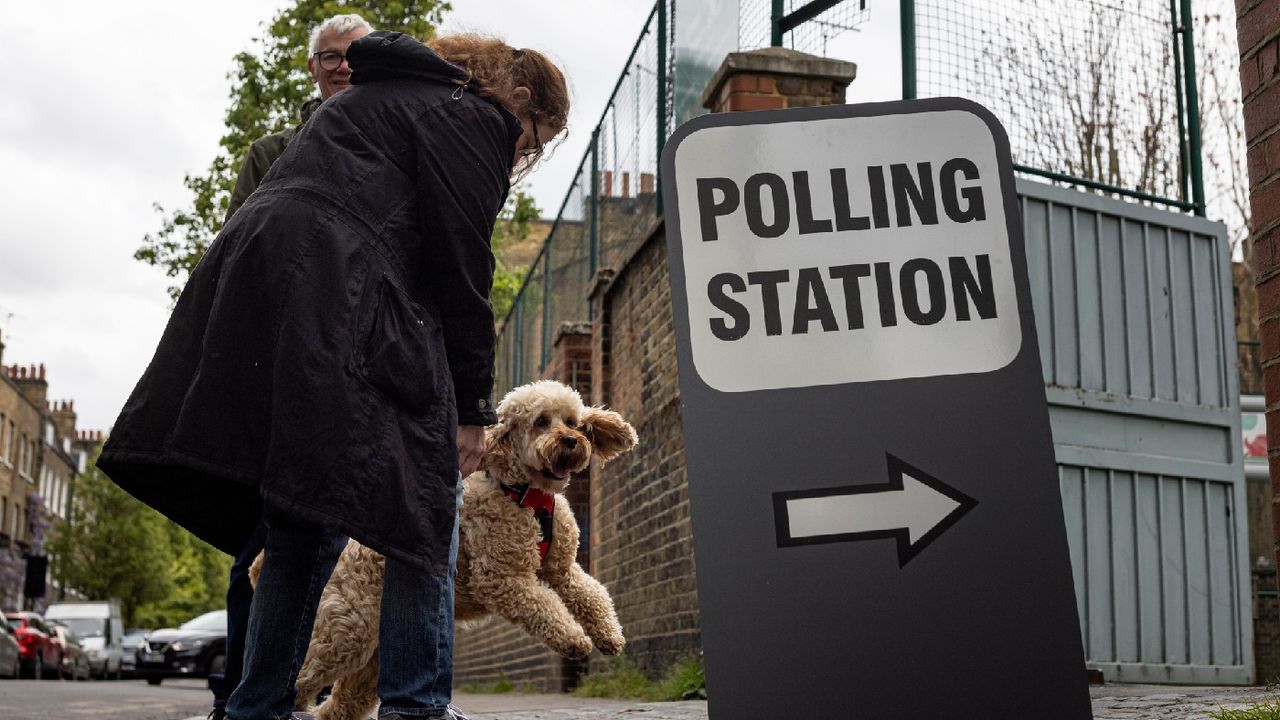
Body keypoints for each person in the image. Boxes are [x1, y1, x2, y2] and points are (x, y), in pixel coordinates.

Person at [99, 30, 569, 720]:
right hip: (337, 283)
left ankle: (255, 707)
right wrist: (470, 406)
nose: (522, 153)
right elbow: (462, 267)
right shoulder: (475, 116)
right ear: (519, 99)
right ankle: (417, 706)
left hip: (258, 282)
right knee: (427, 494)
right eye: (532, 138)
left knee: (302, 505)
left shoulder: (376, 97)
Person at [205, 14, 372, 720]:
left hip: (363, 372)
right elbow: (239, 253)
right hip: (278, 374)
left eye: (354, 57)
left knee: (339, 549)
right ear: (311, 69)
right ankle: (245, 696)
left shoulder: (394, 149)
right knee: (264, 547)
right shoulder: (273, 151)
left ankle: (285, 695)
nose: (341, 67)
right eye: (330, 58)